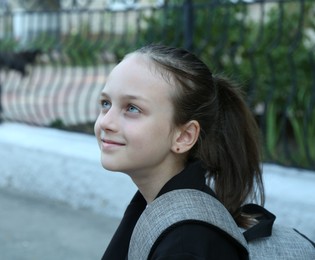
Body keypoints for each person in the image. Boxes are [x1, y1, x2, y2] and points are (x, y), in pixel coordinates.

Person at [94, 44, 265, 259]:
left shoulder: (184, 246)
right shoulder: (155, 208)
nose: (106, 122)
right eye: (106, 103)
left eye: (132, 108)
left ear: (184, 137)